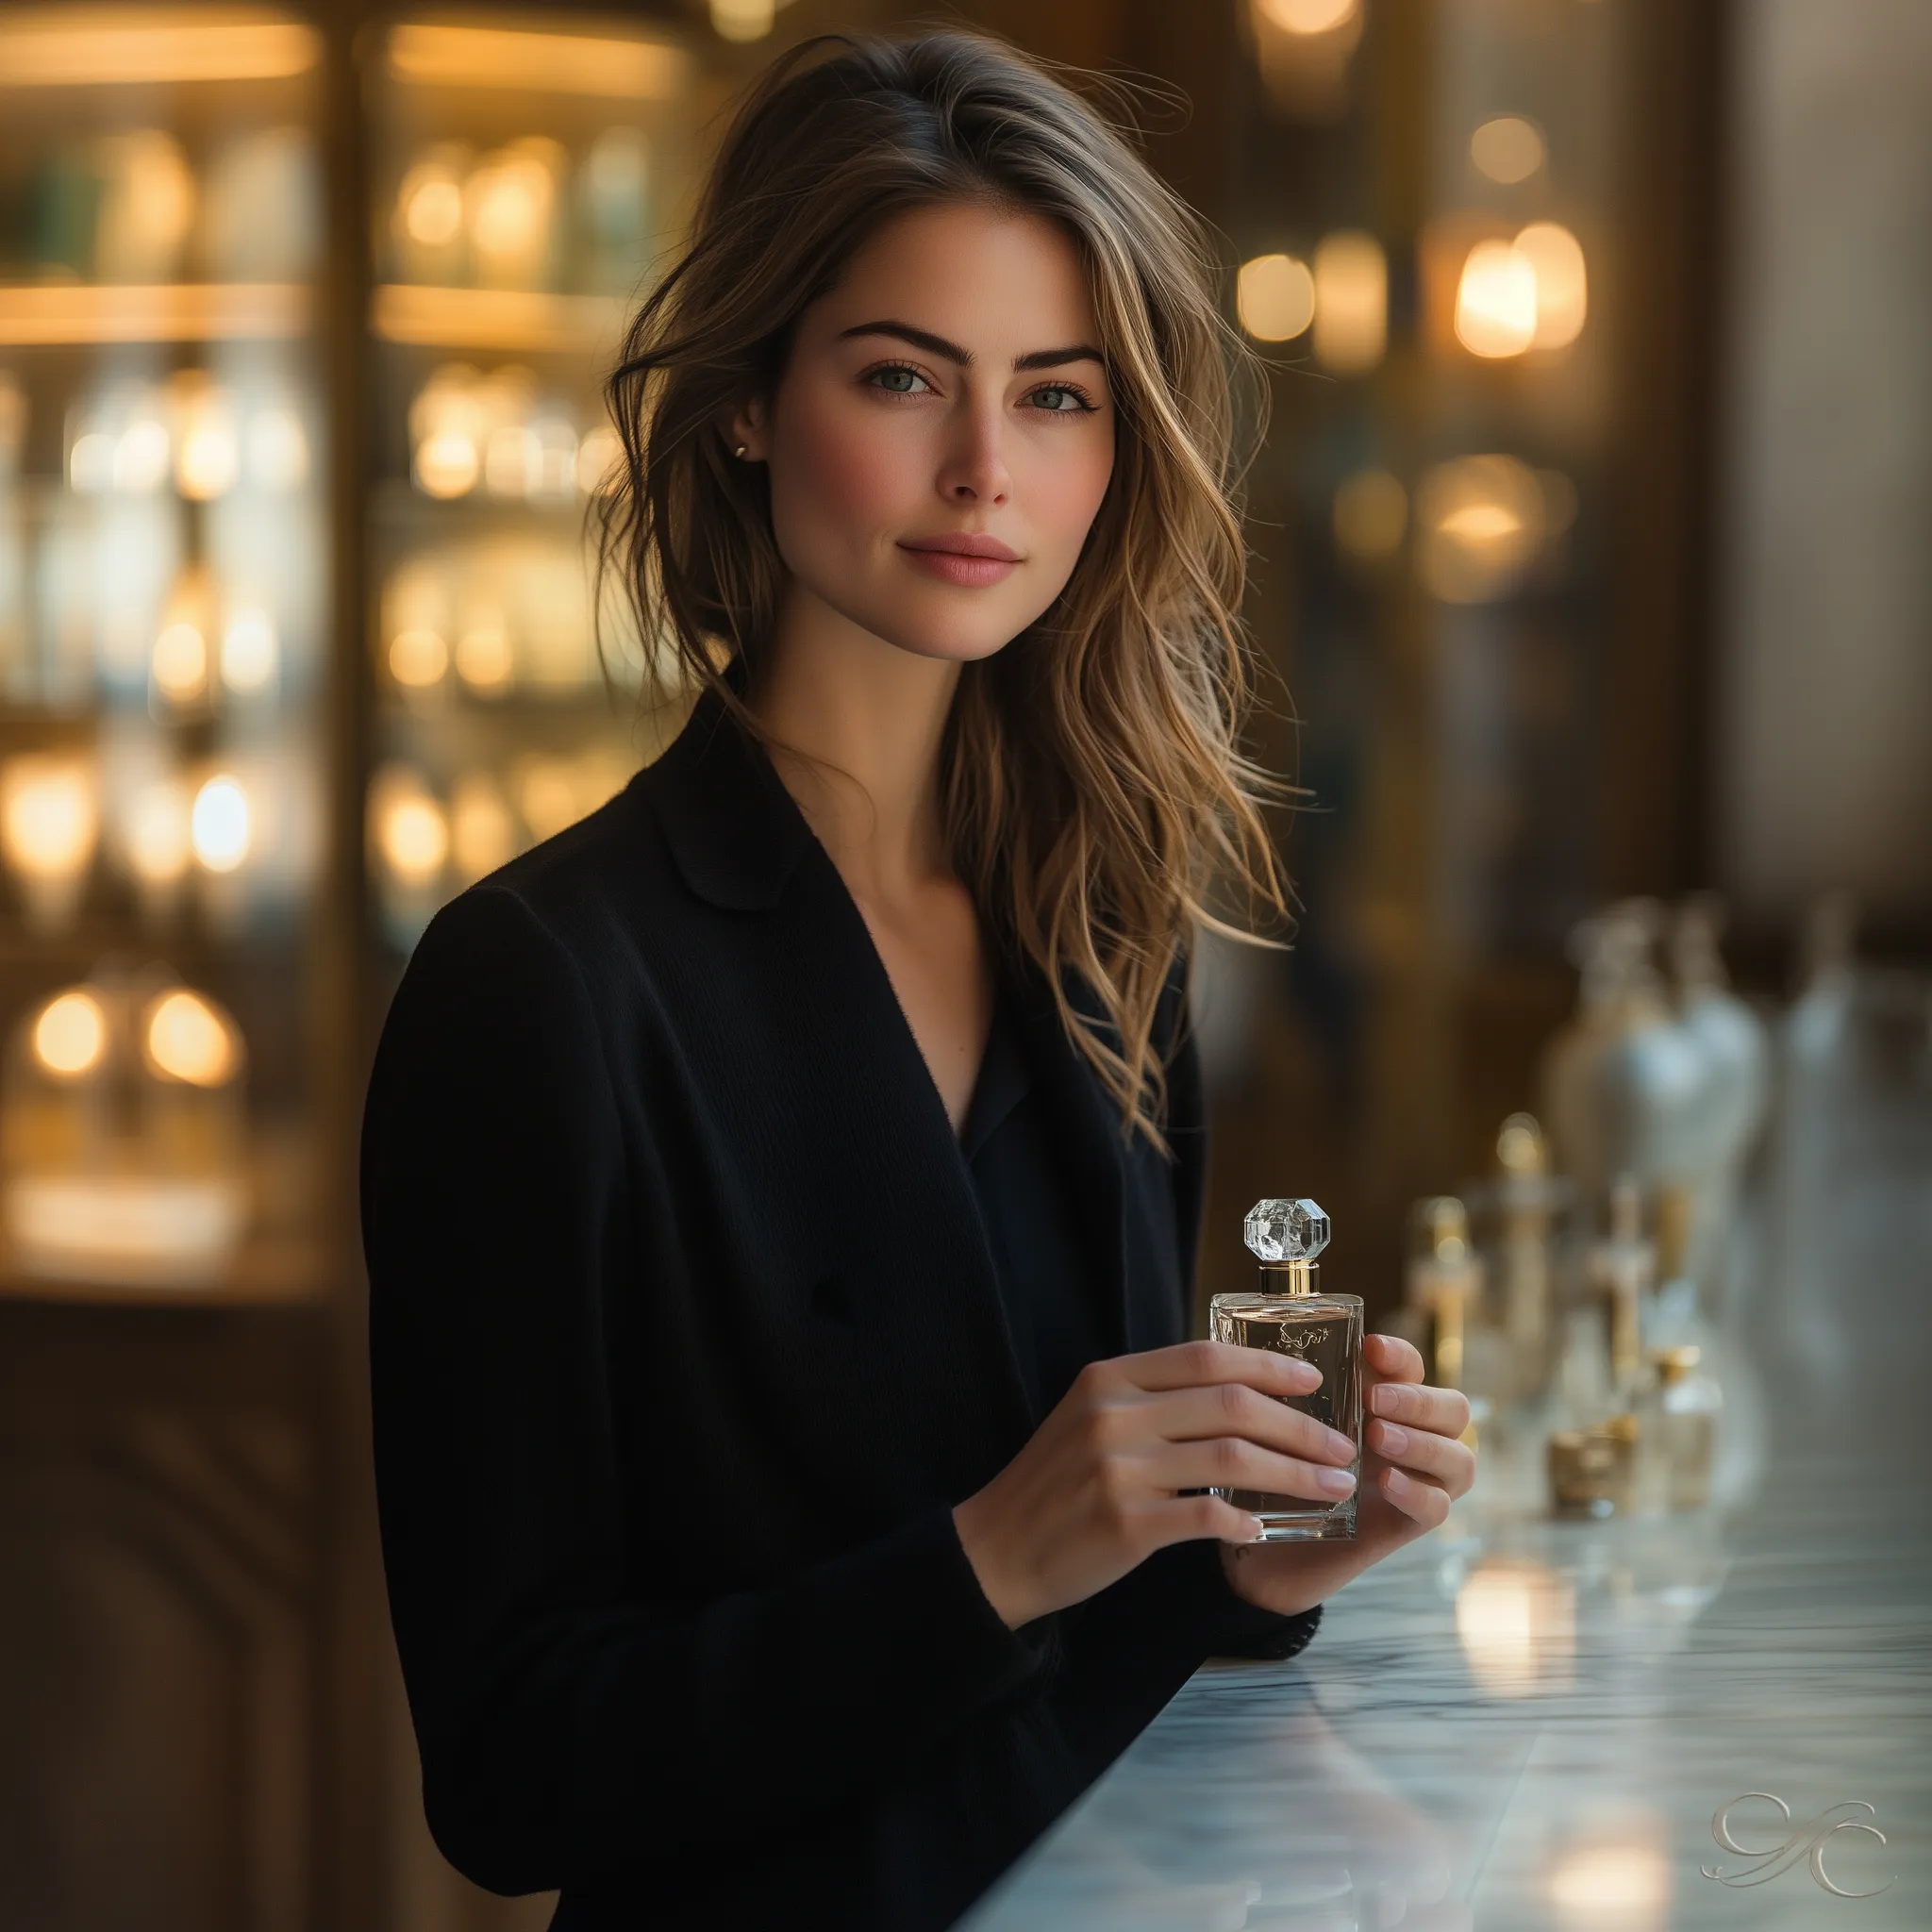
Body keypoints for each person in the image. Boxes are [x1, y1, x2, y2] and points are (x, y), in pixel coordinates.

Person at [360, 27, 1474, 1931]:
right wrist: (986, 1555)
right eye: (903, 377)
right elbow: (513, 1769)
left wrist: (1260, 1554)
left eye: (1057, 397)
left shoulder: (1111, 935)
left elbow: (1086, 1609)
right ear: (745, 401)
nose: (985, 472)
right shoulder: (537, 989)